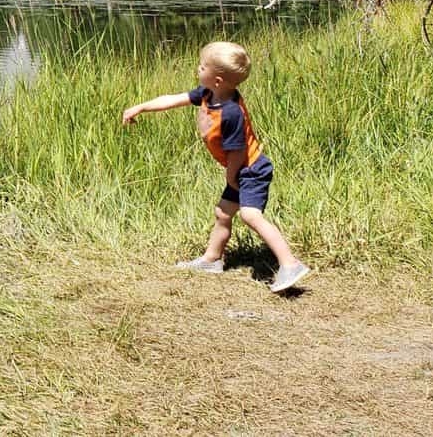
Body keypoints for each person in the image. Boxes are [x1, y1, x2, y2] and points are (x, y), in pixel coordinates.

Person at [122, 41, 311, 293]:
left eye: (203, 67)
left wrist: (231, 176)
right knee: (223, 213)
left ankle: (290, 264)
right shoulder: (207, 94)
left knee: (250, 215)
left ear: (218, 79)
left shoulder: (231, 112)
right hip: (240, 169)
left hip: (251, 169)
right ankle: (212, 260)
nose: (198, 69)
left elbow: (238, 151)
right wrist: (141, 106)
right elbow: (174, 99)